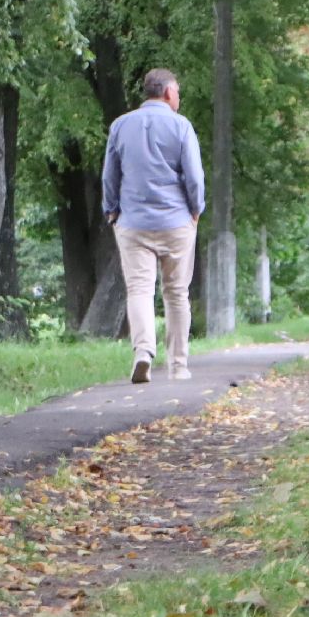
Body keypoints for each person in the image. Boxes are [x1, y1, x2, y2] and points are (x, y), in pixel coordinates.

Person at [101, 68, 205, 383]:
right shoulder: (181, 126)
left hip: (133, 223)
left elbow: (110, 175)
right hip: (176, 222)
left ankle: (144, 352)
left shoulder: (120, 125)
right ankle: (178, 366)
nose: (179, 97)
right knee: (176, 293)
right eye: (178, 92)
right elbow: (194, 176)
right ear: (168, 92)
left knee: (139, 289)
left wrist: (112, 211)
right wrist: (196, 209)